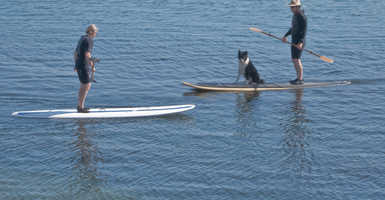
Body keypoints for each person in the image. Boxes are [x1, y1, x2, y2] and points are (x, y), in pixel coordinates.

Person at [74, 24, 98, 113]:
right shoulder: (89, 40)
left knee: (84, 85)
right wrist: (92, 66)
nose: (96, 34)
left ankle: (80, 106)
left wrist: (76, 65)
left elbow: (75, 53)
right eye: (95, 32)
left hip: (79, 65)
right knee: (86, 86)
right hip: (84, 65)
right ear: (92, 32)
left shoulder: (82, 38)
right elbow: (87, 55)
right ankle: (80, 108)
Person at [282, 0, 307, 85]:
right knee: (294, 59)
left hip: (299, 41)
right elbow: (292, 28)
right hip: (294, 40)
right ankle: (297, 78)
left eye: (292, 7)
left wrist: (300, 42)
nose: (291, 8)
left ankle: (300, 79)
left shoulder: (301, 16)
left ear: (297, 7)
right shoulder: (295, 15)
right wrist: (285, 36)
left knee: (297, 59)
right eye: (290, 7)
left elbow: (304, 30)